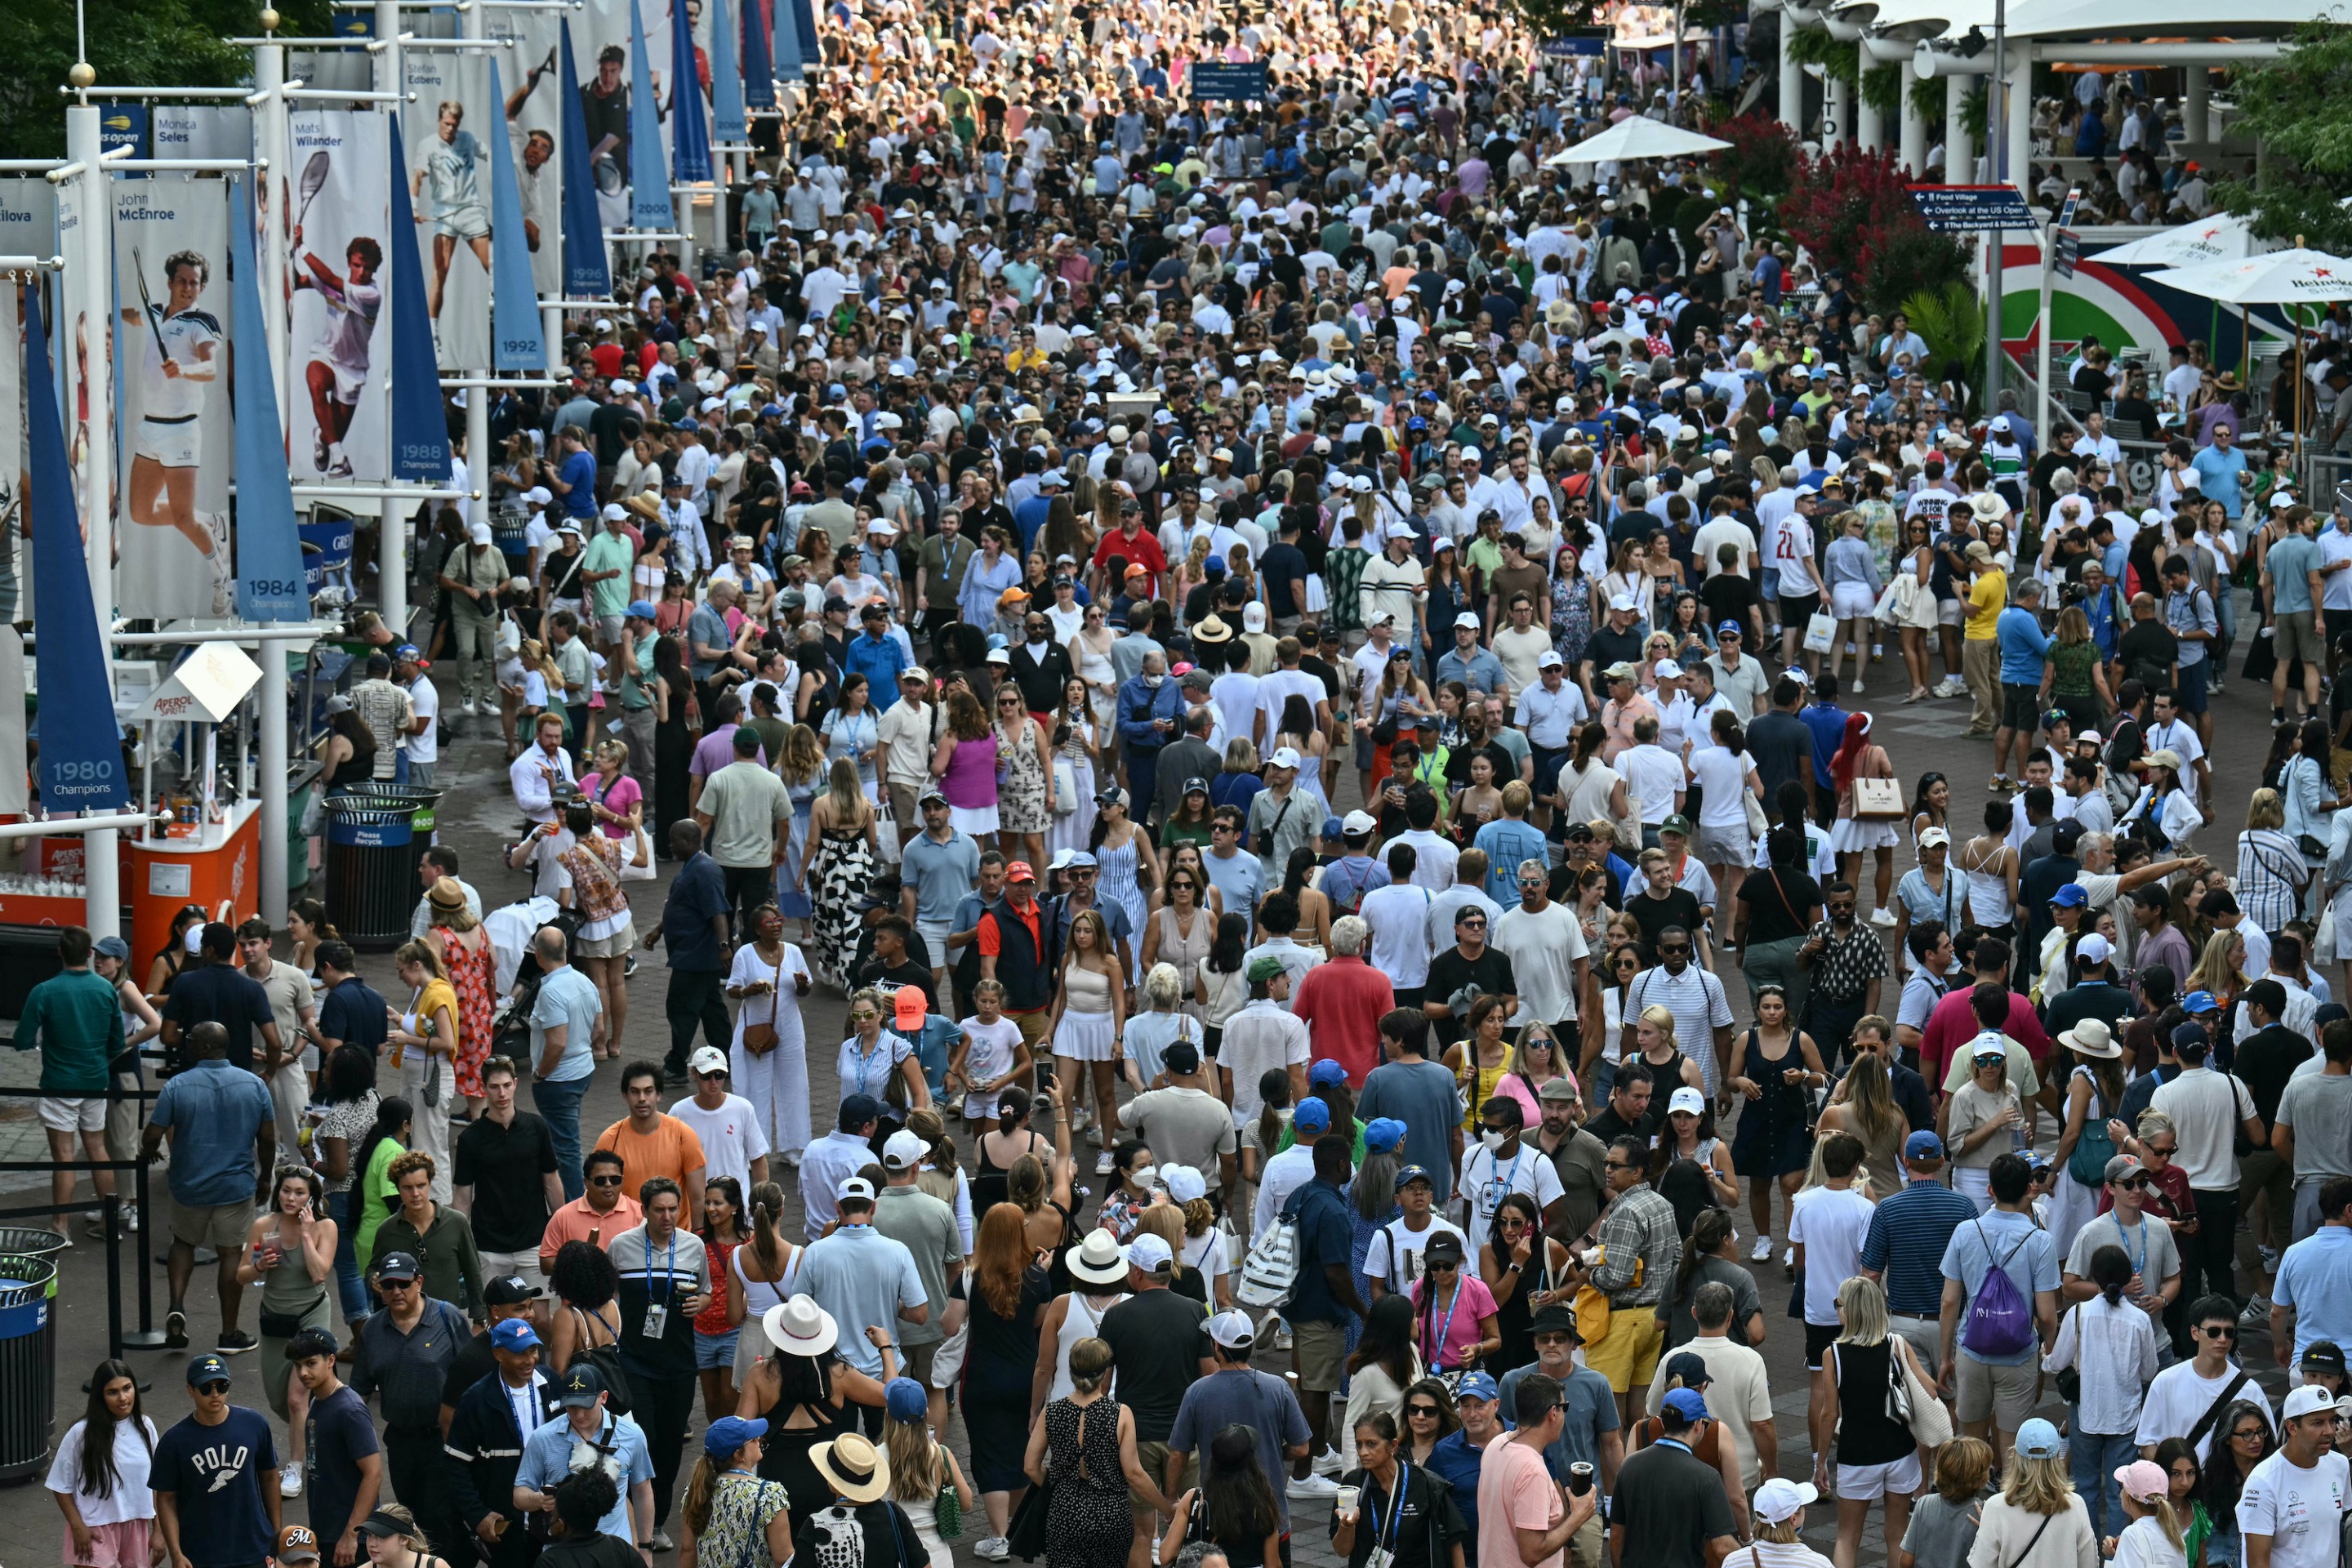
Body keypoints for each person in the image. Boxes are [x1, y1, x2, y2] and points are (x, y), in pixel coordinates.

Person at [144, 1021, 277, 1351]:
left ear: (203, 1047)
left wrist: (149, 1153)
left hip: (189, 1184)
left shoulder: (177, 1085)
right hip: (235, 1185)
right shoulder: (254, 1085)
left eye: (190, 1039)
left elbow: (152, 1135)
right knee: (231, 1253)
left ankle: (176, 1305)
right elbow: (268, 1139)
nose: (186, 1043)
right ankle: (228, 1333)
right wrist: (265, 1177)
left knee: (183, 1243)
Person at [1940, 1153, 2062, 1466]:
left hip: (1972, 1350)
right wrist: (2050, 1349)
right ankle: (2006, 1507)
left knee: (1970, 1446)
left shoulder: (1965, 1232)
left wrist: (1945, 1356)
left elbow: (1950, 1302)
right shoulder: (2040, 1241)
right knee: (2013, 1453)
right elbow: (2047, 1314)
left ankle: (1970, 1504)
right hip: (2018, 1354)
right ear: (2028, 1190)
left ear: (1990, 1190)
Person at [13, 926, 128, 1240]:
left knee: (63, 1156)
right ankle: (109, 1223)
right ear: (90, 954)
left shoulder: (45, 990)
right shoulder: (105, 990)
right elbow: (117, 1043)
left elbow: (22, 1039)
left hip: (59, 1083)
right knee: (97, 1149)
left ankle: (60, 1226)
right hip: (95, 1081)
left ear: (60, 952)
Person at [153, 1353, 281, 1568]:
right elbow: (166, 1499)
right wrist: (176, 1553)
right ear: (190, 1391)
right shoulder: (174, 1441)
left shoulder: (255, 1424)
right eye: (206, 1388)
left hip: (255, 1548)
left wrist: (277, 1535)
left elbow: (269, 1477)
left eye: (222, 1386)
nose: (215, 1394)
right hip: (201, 1555)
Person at [514, 1364, 657, 1554]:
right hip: (562, 1556)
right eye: (572, 1406)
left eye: (586, 1406)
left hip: (614, 1553)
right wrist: (538, 1499)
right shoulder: (543, 1438)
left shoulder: (632, 1435)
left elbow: (642, 1492)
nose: (579, 1415)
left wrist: (645, 1549)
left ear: (603, 1398)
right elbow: (519, 1495)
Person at [1604, 1383, 1737, 1568]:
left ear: (1663, 1422)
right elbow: (1723, 1547)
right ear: (1698, 1425)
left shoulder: (1629, 1466)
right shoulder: (1707, 1478)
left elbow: (1616, 1536)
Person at [46, 1358, 159, 1568]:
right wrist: (77, 1526)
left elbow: (156, 1481)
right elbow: (59, 1485)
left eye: (127, 1388)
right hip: (94, 1529)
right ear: (100, 1396)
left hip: (136, 1526)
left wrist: (158, 1530)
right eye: (112, 1392)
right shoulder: (80, 1433)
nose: (123, 1398)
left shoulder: (145, 1426)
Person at [1329, 1410, 1469, 1568]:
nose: (1363, 1452)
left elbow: (1454, 1541)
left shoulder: (1427, 1484)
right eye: (1359, 1444)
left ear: (1393, 1445)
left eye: (1371, 1444)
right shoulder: (1354, 1484)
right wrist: (1347, 1526)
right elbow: (1342, 1550)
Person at [2231, 1384, 2347, 1568]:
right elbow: (2257, 1563)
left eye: (2332, 1421)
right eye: (2318, 1423)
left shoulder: (2340, 1465)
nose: (2330, 1431)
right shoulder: (2262, 1482)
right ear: (2292, 1427)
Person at [675, 1415, 793, 1568]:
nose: (758, 1439)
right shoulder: (769, 1496)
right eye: (752, 1439)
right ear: (738, 1454)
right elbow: (783, 1558)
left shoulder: (697, 1490)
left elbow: (687, 1550)